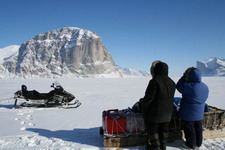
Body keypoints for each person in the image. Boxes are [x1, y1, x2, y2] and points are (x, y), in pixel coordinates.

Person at [140, 61, 176, 150]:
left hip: (155, 114)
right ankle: (163, 147)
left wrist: (143, 108)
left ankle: (155, 148)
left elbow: (148, 98)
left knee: (153, 133)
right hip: (167, 114)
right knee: (163, 132)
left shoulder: (154, 81)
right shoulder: (171, 82)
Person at [176, 67, 209, 149]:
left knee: (190, 129)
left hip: (188, 113)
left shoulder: (188, 86)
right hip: (199, 112)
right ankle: (199, 143)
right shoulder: (205, 86)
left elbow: (178, 86)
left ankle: (191, 144)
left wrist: (184, 76)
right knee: (198, 128)